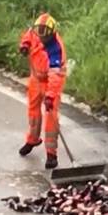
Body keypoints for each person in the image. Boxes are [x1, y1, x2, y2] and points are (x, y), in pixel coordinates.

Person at [18, 13, 67, 170]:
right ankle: (32, 139)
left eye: (45, 38)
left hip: (50, 82)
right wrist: (24, 45)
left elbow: (55, 75)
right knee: (33, 111)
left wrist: (50, 95)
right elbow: (29, 35)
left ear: (51, 34)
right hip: (35, 80)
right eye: (39, 35)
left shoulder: (55, 50)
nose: (41, 39)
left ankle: (51, 154)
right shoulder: (37, 31)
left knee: (51, 117)